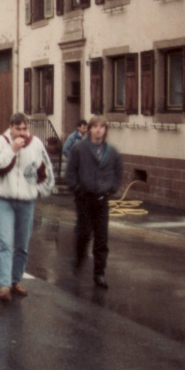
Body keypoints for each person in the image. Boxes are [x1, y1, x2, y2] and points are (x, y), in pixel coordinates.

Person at [0, 113, 55, 301]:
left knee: (22, 244)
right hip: (4, 200)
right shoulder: (0, 143)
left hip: (26, 201)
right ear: (11, 128)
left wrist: (37, 190)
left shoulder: (36, 144)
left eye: (25, 129)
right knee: (5, 242)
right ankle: (4, 285)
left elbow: (46, 173)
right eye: (18, 129)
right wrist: (12, 150)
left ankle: (16, 280)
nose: (22, 133)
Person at [65, 116, 123, 288]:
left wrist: (111, 188)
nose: (99, 130)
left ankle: (99, 273)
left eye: (102, 127)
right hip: (84, 198)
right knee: (83, 233)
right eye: (95, 127)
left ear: (105, 130)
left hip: (102, 199)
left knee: (102, 238)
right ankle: (79, 258)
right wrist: (77, 189)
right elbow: (70, 172)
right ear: (89, 129)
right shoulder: (79, 148)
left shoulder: (111, 151)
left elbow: (118, 171)